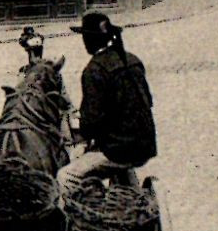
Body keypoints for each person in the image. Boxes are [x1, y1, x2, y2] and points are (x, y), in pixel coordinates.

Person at [58, 13, 157, 194]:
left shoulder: (94, 70)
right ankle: (128, 187)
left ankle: (70, 220)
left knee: (66, 176)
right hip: (145, 145)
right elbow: (147, 101)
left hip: (118, 150)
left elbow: (90, 125)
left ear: (89, 40)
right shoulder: (133, 61)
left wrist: (84, 135)